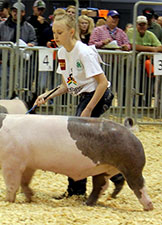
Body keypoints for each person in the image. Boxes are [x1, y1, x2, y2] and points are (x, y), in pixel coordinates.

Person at [34, 13, 114, 198]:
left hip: (99, 96)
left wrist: (87, 110)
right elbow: (67, 85)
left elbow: (102, 83)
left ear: (71, 32)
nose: (55, 36)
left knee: (75, 141)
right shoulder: (61, 53)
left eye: (59, 32)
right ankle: (113, 175)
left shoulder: (84, 52)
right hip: (85, 97)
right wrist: (47, 95)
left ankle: (77, 191)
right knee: (83, 142)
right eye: (54, 32)